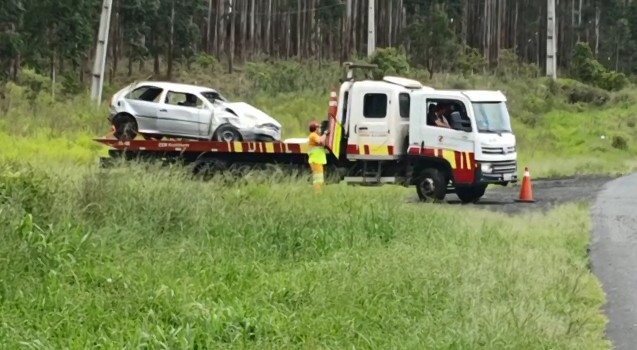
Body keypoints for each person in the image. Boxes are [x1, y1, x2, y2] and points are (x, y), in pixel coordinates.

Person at [307, 120, 328, 193]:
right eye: (318, 128)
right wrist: (325, 133)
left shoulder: (316, 135)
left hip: (317, 160)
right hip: (315, 160)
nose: (320, 129)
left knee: (319, 178)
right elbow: (321, 141)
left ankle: (319, 192)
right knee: (318, 178)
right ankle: (318, 193)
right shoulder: (313, 135)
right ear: (315, 129)